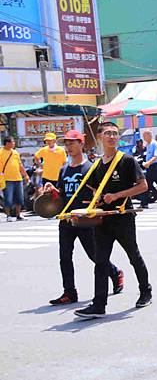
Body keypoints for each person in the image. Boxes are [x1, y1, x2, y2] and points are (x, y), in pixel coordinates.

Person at [74, 121, 152, 318]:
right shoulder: (97, 165)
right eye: (107, 133)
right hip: (103, 219)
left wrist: (117, 196)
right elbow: (93, 188)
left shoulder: (126, 160)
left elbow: (143, 186)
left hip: (123, 217)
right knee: (100, 262)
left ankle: (145, 290)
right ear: (100, 136)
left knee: (133, 255)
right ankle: (99, 304)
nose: (111, 136)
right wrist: (97, 199)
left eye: (115, 134)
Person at [44, 130, 124, 305]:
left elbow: (100, 192)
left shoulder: (91, 167)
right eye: (66, 143)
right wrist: (52, 191)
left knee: (94, 255)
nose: (69, 146)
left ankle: (115, 272)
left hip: (85, 219)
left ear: (81, 144)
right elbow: (63, 194)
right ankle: (69, 292)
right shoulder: (64, 169)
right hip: (66, 218)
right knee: (64, 256)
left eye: (73, 142)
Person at [1, 136, 29, 222]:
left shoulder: (15, 152)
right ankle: (8, 216)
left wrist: (26, 175)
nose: (14, 143)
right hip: (7, 179)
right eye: (12, 142)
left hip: (18, 178)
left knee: (19, 198)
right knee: (8, 199)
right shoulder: (1, 152)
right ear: (7, 143)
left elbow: (20, 165)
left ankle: (18, 215)